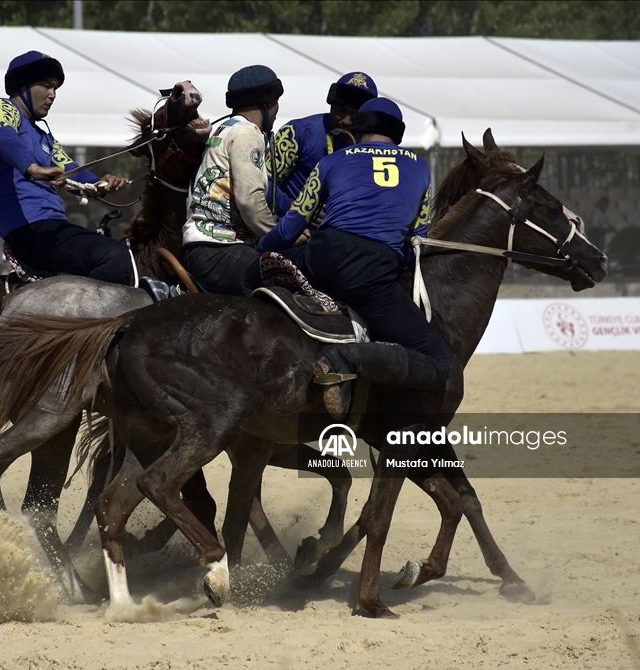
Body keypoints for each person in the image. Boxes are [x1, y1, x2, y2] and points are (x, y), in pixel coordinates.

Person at [244, 97, 450, 412]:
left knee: (247, 276)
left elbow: (290, 227)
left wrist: (260, 250)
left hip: (320, 256)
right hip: (369, 272)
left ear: (357, 127)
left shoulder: (333, 160)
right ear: (398, 133)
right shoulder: (420, 168)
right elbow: (416, 242)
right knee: (437, 362)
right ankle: (346, 358)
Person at [0, 51, 131, 285]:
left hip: (51, 228)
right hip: (28, 229)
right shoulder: (1, 108)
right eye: (47, 86)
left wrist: (100, 184)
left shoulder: (44, 137)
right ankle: (85, 323)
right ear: (23, 85)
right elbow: (4, 137)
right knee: (114, 256)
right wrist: (34, 168)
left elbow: (72, 170)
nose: (52, 95)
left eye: (56, 89)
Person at [180, 65, 284, 295]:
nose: (277, 112)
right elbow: (249, 200)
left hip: (199, 249)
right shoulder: (248, 133)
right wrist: (279, 233)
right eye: (277, 103)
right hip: (222, 250)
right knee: (291, 281)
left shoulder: (222, 129)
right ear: (267, 104)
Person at [268, 72, 379, 217]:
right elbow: (265, 181)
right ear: (331, 104)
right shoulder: (296, 132)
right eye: (341, 110)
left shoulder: (374, 146)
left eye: (355, 115)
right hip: (295, 229)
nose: (346, 121)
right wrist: (293, 209)